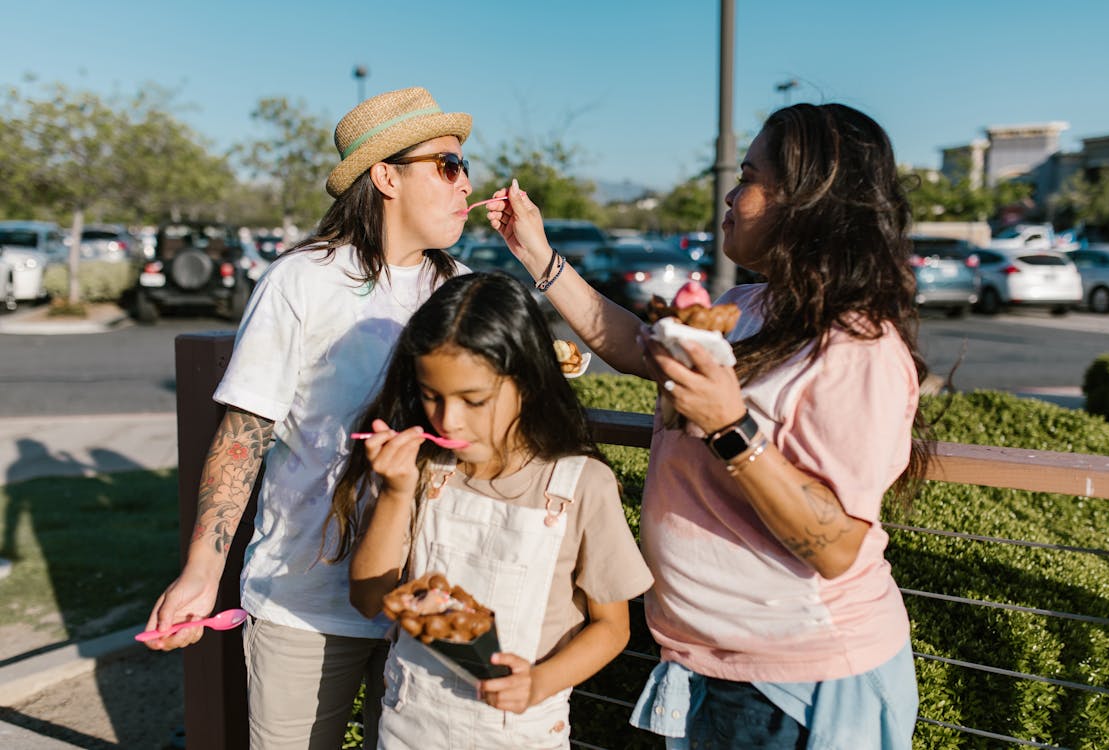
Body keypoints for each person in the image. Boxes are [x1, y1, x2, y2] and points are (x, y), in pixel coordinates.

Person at [488, 103, 930, 748]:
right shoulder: (743, 306)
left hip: (795, 680)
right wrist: (539, 256)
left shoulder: (857, 346)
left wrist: (730, 424)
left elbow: (837, 548)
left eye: (749, 177)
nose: (730, 194)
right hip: (708, 666)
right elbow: (640, 346)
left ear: (806, 202)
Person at [142, 86, 476, 750]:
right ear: (385, 176)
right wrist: (201, 574)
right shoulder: (301, 280)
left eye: (464, 166)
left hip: (426, 603)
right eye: (446, 164)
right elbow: (244, 435)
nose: (464, 183)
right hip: (302, 600)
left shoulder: (460, 287)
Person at [329, 271, 653, 749]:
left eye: (473, 400)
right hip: (411, 728)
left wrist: (538, 683)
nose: (447, 419)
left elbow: (611, 627)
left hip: (520, 733)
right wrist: (396, 493)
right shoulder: (423, 470)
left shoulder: (579, 485)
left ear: (529, 381)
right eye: (432, 397)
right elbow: (370, 598)